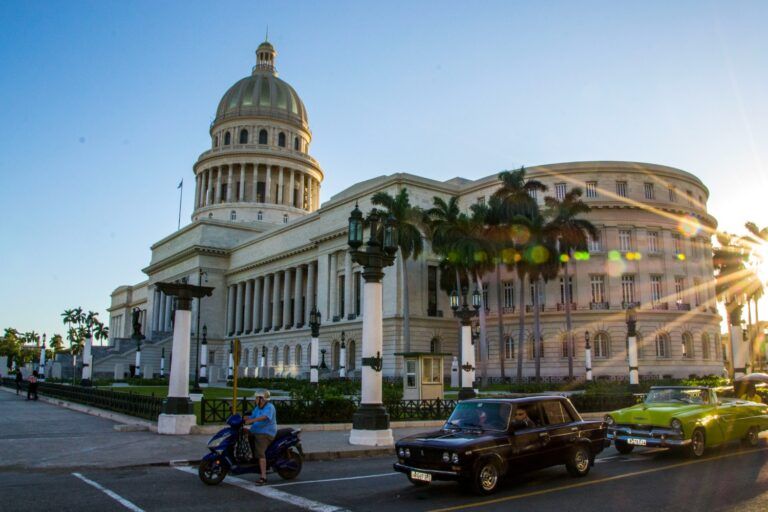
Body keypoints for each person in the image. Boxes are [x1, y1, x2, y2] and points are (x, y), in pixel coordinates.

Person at [244, 389, 276, 485]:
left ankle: (263, 477)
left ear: (262, 399)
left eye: (257, 398)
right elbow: (251, 416)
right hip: (256, 431)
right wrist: (244, 418)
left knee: (260, 453)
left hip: (265, 433)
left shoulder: (270, 407)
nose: (255, 399)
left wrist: (252, 420)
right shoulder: (258, 408)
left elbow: (265, 417)